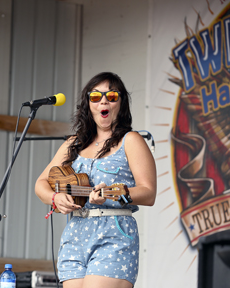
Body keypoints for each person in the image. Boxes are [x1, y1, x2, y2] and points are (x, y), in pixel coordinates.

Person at [35, 72, 156, 288]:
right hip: (75, 234)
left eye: (111, 96)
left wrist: (117, 192)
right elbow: (41, 183)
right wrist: (56, 197)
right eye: (95, 97)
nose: (103, 101)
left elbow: (148, 192)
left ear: (121, 103)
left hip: (114, 234)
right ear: (87, 104)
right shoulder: (74, 143)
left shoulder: (131, 140)